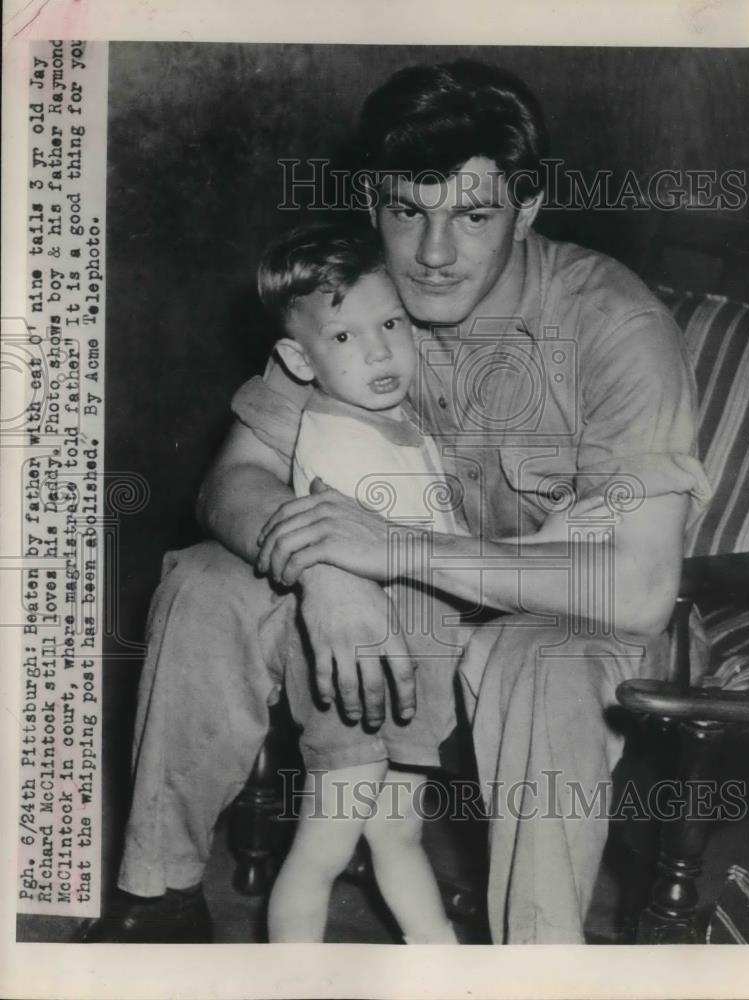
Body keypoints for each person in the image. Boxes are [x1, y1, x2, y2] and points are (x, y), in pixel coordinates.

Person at [79, 58, 711, 945]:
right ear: (374, 201)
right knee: (208, 579)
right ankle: (159, 900)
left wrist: (390, 551)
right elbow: (233, 480)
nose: (433, 254)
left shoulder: (614, 326)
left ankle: (539, 965)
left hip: (566, 612)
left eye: (474, 215)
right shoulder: (356, 290)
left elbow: (637, 588)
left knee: (539, 659)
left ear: (526, 210)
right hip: (396, 598)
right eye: (407, 210)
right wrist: (330, 571)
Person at [256, 221, 462, 944]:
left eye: (389, 324)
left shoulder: (397, 420)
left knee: (397, 830)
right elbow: (340, 563)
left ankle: (437, 961)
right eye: (342, 337)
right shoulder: (334, 438)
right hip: (358, 669)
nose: (377, 350)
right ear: (298, 359)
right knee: (327, 842)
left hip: (416, 667)